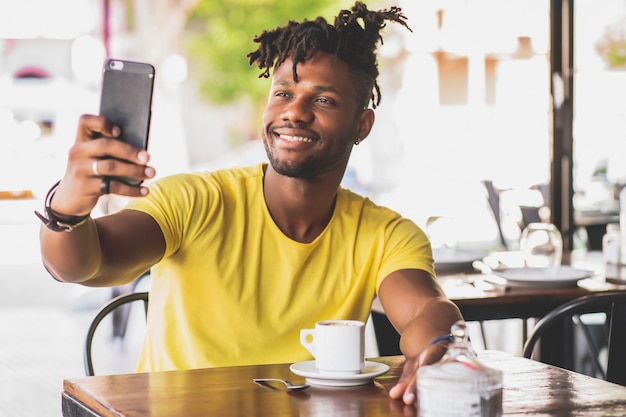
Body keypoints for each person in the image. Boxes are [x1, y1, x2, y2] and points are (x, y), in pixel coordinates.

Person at [38, 1, 463, 405]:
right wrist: (68, 207)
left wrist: (437, 347)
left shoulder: (386, 233)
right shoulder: (194, 200)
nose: (294, 112)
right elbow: (81, 265)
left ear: (362, 125)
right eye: (282, 93)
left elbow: (426, 309)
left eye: (324, 100)